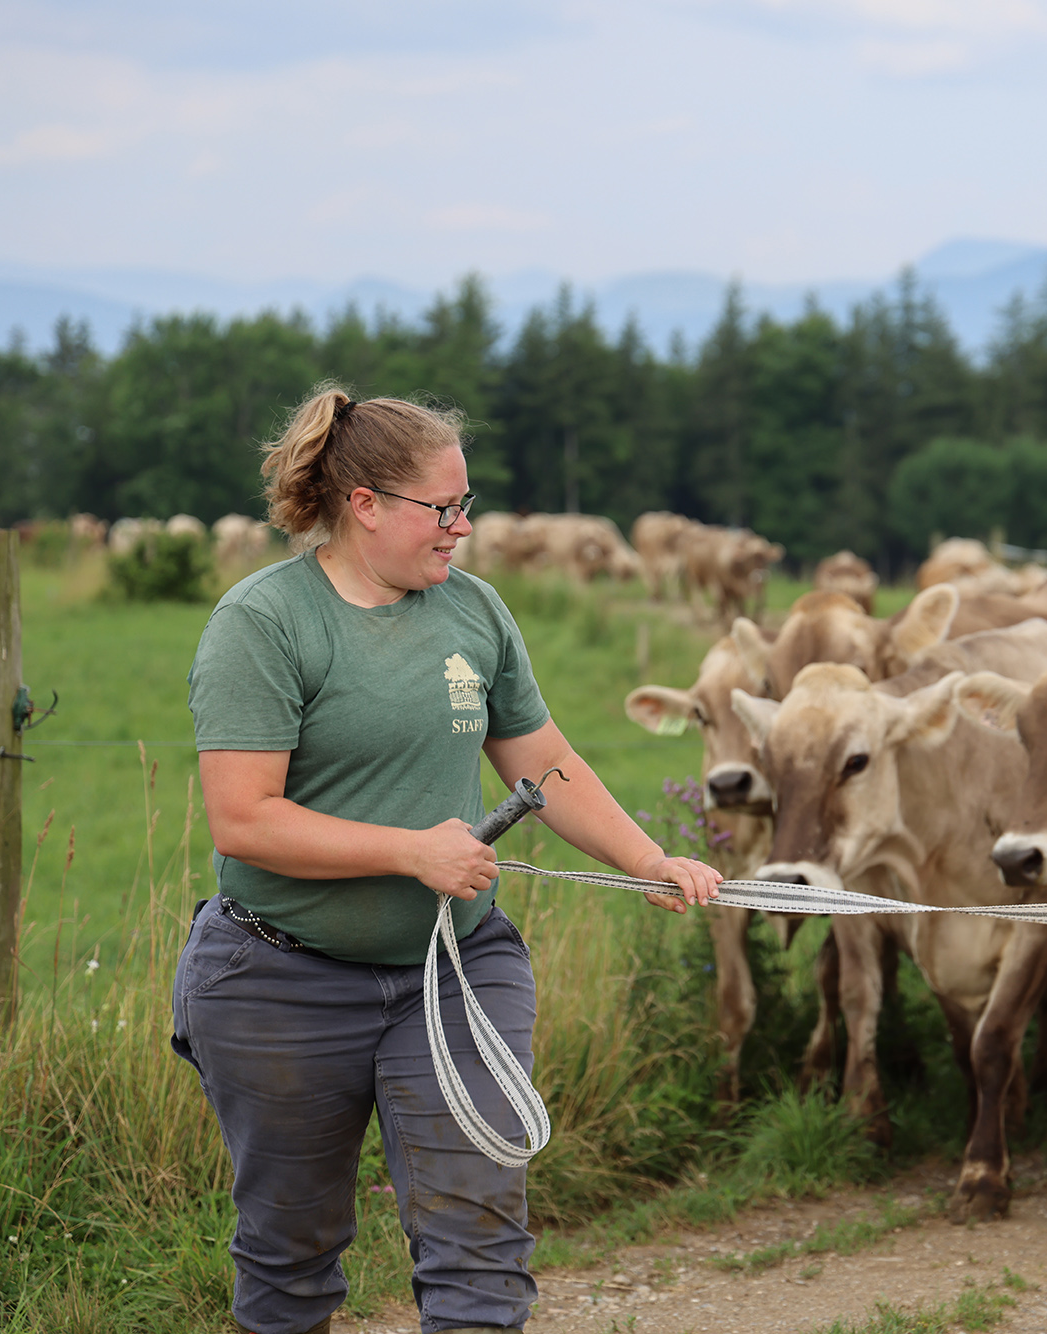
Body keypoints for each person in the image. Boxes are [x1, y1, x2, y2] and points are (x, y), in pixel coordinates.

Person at [173, 385, 721, 1334]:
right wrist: (410, 851)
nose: (462, 529)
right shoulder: (263, 623)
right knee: (291, 1259)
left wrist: (648, 856)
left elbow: (544, 763)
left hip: (459, 970)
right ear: (365, 504)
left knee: (480, 1253)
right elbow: (245, 821)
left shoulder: (474, 613)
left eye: (467, 505)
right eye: (443, 509)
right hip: (280, 982)